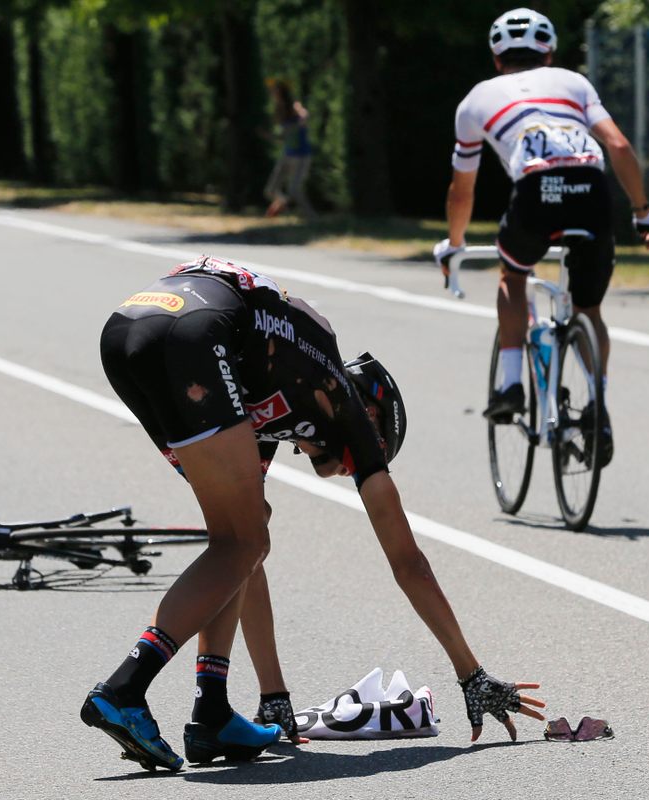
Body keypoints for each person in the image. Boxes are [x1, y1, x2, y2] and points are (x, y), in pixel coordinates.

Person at [82, 254, 546, 771]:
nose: (351, 468)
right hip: (193, 337)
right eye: (374, 451)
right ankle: (126, 687)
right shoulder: (345, 407)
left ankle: (211, 710)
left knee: (239, 535)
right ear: (372, 417)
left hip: (130, 330)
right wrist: (472, 675)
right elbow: (408, 561)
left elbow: (241, 562)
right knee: (244, 541)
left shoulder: (278, 392)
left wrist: (275, 695)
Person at [433, 8, 649, 464]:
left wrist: (455, 243)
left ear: (496, 58)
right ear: (550, 54)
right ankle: (596, 403)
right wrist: (643, 212)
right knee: (588, 309)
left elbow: (463, 189)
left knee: (513, 276)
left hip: (537, 192)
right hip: (592, 191)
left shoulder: (477, 100)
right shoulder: (573, 83)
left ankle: (512, 383)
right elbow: (617, 146)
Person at [262, 79, 315, 219]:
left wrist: (301, 120)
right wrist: (268, 136)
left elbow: (305, 115)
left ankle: (311, 217)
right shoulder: (279, 111)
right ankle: (283, 204)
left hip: (302, 155)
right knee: (270, 190)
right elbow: (283, 137)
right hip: (287, 154)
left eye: (275, 91)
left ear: (282, 92)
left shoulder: (294, 106)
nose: (272, 93)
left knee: (294, 190)